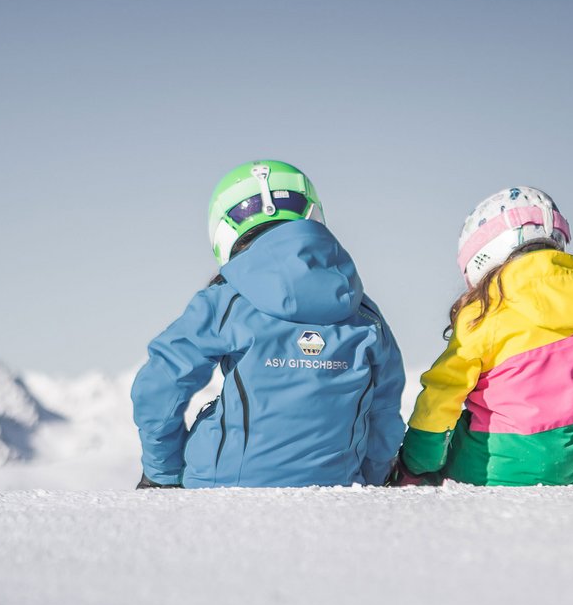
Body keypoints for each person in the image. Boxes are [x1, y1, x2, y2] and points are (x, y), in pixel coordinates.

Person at [130, 160, 405, 488]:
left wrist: (161, 473)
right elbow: (384, 413)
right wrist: (370, 479)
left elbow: (160, 386)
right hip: (337, 486)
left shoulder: (226, 302)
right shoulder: (362, 313)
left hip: (220, 487)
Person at [392, 187, 573, 486]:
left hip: (481, 471)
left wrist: (414, 467)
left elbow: (439, 403)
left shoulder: (480, 320)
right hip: (567, 471)